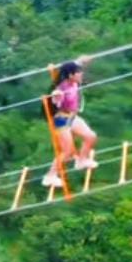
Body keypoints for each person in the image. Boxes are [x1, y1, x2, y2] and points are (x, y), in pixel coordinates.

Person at [42, 59, 98, 188]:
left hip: (72, 116)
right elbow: (56, 101)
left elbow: (74, 63)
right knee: (67, 152)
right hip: (61, 119)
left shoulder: (74, 81)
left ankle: (82, 160)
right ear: (70, 75)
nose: (81, 75)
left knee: (91, 136)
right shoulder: (62, 88)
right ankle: (50, 176)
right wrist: (56, 96)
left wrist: (82, 60)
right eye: (78, 73)